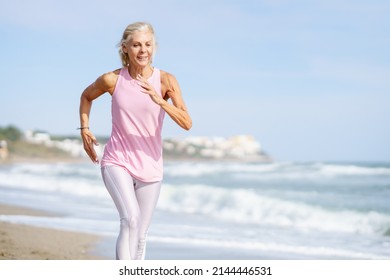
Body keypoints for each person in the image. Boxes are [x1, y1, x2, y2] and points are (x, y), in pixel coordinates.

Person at [79, 22, 192, 260]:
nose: (143, 50)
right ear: (125, 48)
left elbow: (186, 122)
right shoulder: (112, 80)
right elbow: (86, 96)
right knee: (130, 219)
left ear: (154, 47)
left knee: (141, 234)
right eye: (137, 45)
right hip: (117, 160)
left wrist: (161, 101)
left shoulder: (166, 81)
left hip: (150, 164)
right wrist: (85, 129)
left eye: (148, 45)